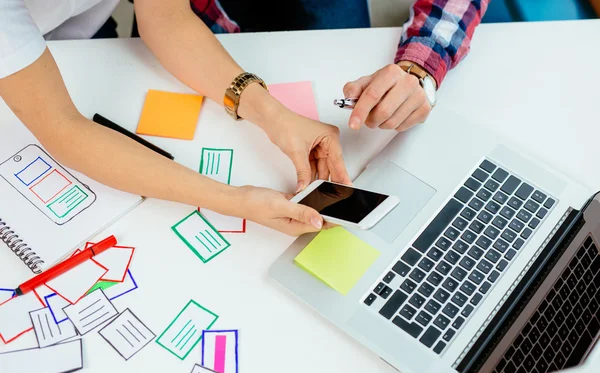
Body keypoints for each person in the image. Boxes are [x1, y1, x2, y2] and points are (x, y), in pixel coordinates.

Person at [0, 0, 487, 236]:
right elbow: (63, 128)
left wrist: (274, 115)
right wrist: (233, 200)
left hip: (86, 32)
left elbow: (164, 17)